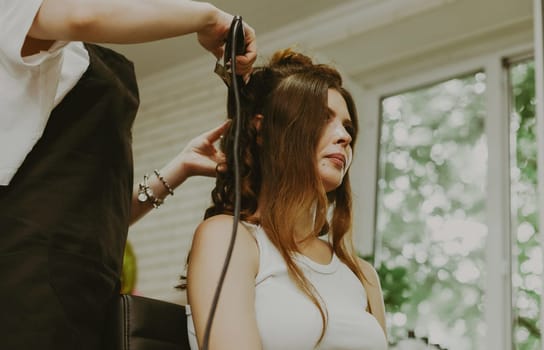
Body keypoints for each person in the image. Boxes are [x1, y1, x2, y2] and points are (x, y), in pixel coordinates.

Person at [0, 1, 256, 349]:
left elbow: (97, 214)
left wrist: (180, 167)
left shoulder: (72, 57)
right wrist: (208, 18)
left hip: (91, 287)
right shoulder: (15, 15)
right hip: (25, 284)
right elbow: (83, 16)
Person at [185, 49, 388, 350]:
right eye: (322, 118)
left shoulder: (363, 276)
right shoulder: (228, 239)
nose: (345, 137)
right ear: (262, 130)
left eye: (348, 127)